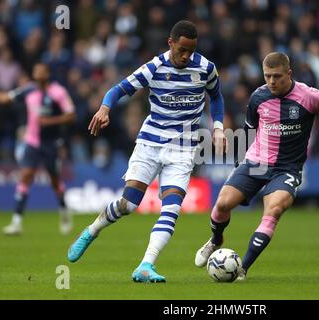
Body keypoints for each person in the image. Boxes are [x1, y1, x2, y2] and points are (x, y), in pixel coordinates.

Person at [67, 20, 226, 283]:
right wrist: (105, 108)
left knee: (172, 209)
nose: (186, 56)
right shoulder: (154, 67)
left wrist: (218, 127)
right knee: (129, 204)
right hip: (150, 143)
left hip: (184, 149)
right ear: (171, 43)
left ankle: (145, 265)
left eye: (191, 50)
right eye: (182, 50)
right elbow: (118, 89)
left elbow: (217, 97)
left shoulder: (206, 68)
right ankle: (92, 230)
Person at [194, 52, 319, 280]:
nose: (271, 81)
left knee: (273, 211)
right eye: (267, 76)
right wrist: (241, 163)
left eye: (276, 76)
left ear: (289, 73)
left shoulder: (310, 96)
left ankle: (242, 269)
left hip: (287, 169)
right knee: (222, 205)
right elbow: (250, 130)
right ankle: (216, 239)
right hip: (255, 163)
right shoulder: (258, 97)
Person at [0, 62, 76, 235]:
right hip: (32, 142)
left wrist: (50, 121)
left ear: (48, 73)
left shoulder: (58, 92)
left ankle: (64, 211)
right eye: (35, 70)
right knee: (26, 175)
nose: (37, 73)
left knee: (54, 181)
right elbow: (5, 98)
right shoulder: (28, 90)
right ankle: (16, 222)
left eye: (41, 71)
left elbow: (71, 115)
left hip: (51, 143)